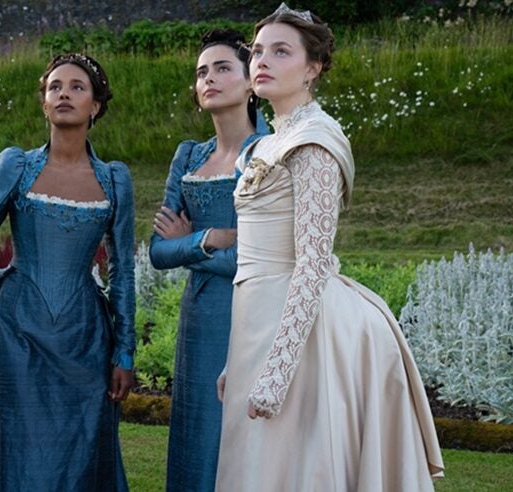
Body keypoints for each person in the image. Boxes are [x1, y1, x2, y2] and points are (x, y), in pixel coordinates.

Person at [215, 5, 445, 490]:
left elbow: (311, 264)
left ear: (313, 67)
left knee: (295, 467)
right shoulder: (271, 141)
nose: (262, 61)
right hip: (257, 320)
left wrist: (276, 373)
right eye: (257, 51)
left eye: (281, 51)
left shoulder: (315, 142)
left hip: (303, 330)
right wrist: (237, 362)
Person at [0, 53, 136, 491]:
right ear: (44, 103)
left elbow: (122, 268)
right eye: (55, 87)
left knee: (80, 448)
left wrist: (125, 351)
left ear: (95, 105)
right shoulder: (17, 165)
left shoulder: (115, 179)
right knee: (15, 448)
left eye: (77, 87)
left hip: (84, 337)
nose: (64, 93)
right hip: (14, 331)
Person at [148, 28, 268, 492]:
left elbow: (265, 260)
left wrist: (190, 246)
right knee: (196, 434)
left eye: (222, 68)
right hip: (198, 318)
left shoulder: (271, 151)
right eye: (202, 72)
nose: (209, 78)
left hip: (251, 313)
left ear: (250, 82)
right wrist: (212, 237)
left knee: (243, 434)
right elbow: (159, 252)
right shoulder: (188, 155)